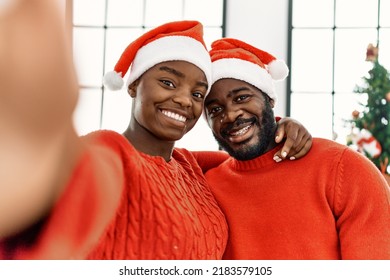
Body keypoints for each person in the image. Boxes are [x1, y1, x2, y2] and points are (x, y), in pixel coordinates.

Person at [0, 0, 312, 259]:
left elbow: (248, 160)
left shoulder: (190, 165)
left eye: (197, 93)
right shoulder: (109, 152)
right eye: (168, 82)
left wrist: (280, 125)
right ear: (133, 85)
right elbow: (73, 183)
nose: (183, 100)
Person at [203, 37, 390, 260]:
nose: (231, 115)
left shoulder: (344, 169)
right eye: (214, 110)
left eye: (242, 97)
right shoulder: (206, 186)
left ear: (269, 99)